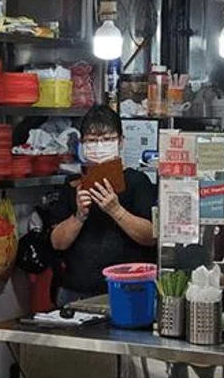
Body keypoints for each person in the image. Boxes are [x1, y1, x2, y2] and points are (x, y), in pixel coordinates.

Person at [49, 105, 157, 307]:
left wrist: (116, 211)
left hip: (127, 290)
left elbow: (151, 236)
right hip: (75, 291)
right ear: (82, 144)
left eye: (107, 139)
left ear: (121, 141)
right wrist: (79, 215)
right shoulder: (74, 184)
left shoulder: (137, 182)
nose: (99, 145)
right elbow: (57, 243)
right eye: (92, 141)